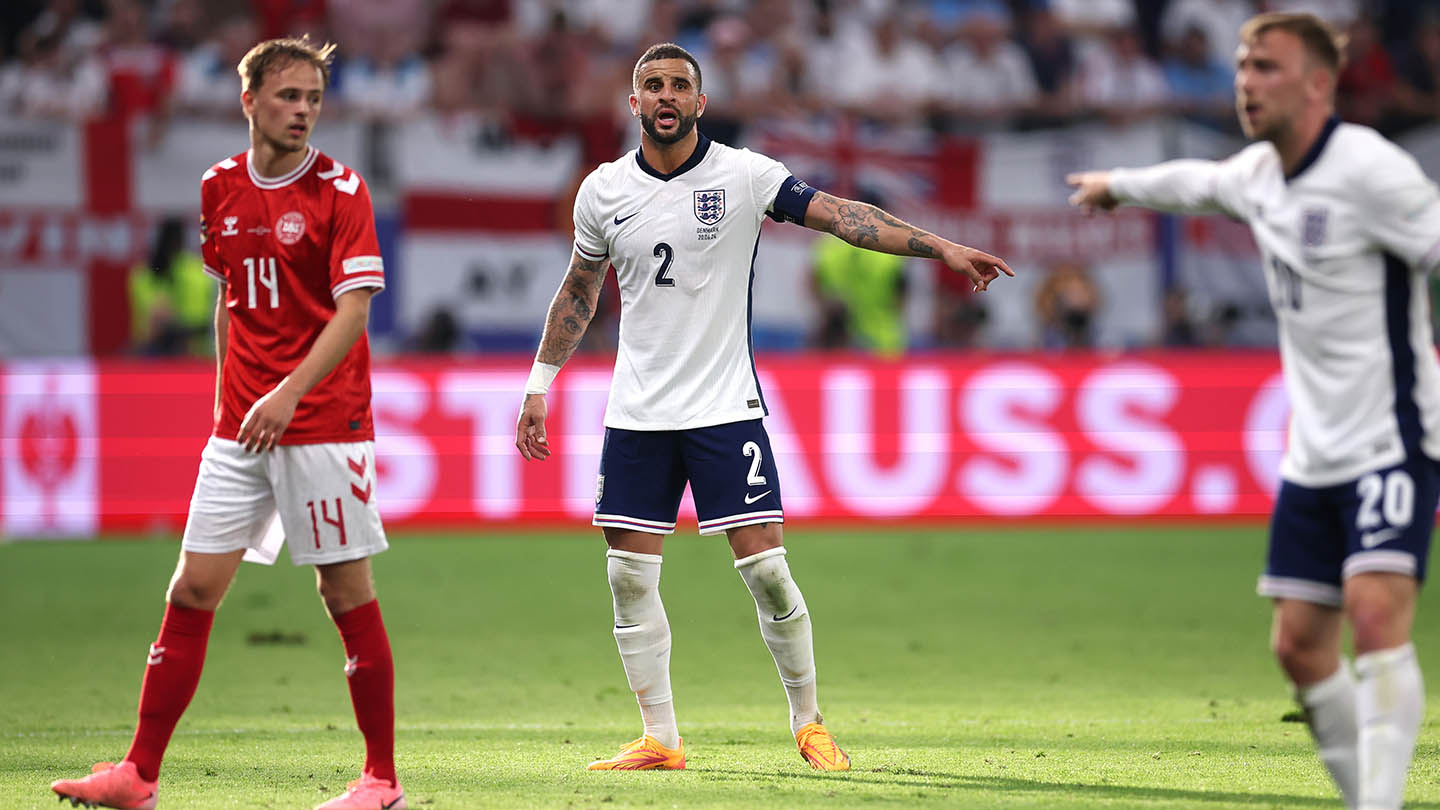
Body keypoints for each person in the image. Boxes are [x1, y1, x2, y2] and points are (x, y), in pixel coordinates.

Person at [515, 42, 1012, 773]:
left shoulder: (744, 176)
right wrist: (538, 382)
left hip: (724, 407)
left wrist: (939, 247)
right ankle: (661, 738)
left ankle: (809, 723)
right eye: (651, 85)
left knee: (769, 572)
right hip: (637, 413)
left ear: (700, 101)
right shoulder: (602, 191)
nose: (664, 96)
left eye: (678, 85)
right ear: (632, 104)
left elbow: (842, 216)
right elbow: (579, 290)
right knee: (626, 577)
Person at [1068, 13, 1435, 810]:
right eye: (1241, 65)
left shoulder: (1373, 171)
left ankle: (1381, 805)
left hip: (1392, 437)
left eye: (1265, 66)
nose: (1245, 80)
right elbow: (1194, 181)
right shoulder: (1259, 176)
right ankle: (1365, 797)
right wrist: (1116, 186)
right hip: (1314, 452)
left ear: (1317, 84)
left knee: (1375, 619)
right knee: (1300, 648)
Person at [51, 36, 403, 810]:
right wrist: (233, 398)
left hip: (323, 422)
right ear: (249, 101)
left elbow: (353, 312)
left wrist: (286, 393)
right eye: (288, 96)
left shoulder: (343, 190)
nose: (303, 111)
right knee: (192, 588)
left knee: (345, 595)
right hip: (242, 426)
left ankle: (381, 781)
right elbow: (228, 301)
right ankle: (137, 776)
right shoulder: (219, 188)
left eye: (312, 98)